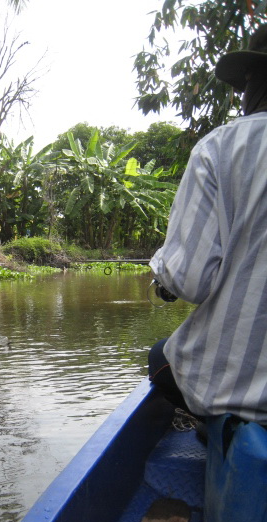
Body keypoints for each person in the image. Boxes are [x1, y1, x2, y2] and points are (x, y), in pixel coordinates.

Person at [148, 24, 267, 426]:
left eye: (245, 84)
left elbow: (191, 281)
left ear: (252, 81)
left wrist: (163, 272)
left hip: (244, 397)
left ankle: (220, 432)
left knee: (158, 357)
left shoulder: (220, 147)